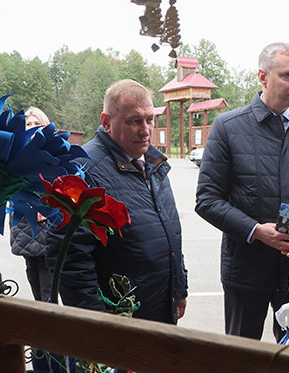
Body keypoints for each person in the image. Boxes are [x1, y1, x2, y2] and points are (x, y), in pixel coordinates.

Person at [195, 42, 289, 340]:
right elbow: (207, 199)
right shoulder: (228, 127)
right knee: (240, 361)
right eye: (288, 75)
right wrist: (255, 230)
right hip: (246, 269)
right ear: (262, 77)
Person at [49, 79, 188, 324]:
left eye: (149, 119)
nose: (145, 130)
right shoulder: (84, 170)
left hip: (160, 307)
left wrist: (179, 289)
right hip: (119, 319)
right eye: (134, 121)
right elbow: (70, 256)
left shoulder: (155, 164)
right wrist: (95, 320)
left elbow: (170, 232)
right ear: (107, 122)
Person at [10, 107, 54, 302]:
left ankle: (50, 318)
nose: (32, 127)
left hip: (45, 218)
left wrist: (43, 205)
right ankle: (39, 312)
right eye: (29, 124)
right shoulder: (16, 151)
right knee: (31, 269)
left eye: (37, 123)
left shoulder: (52, 150)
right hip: (23, 217)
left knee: (47, 272)